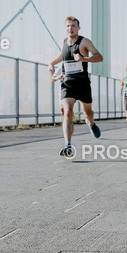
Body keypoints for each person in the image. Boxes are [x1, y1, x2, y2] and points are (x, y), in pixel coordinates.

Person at [48, 16, 104, 157]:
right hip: (67, 82)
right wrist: (52, 63)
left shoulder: (84, 42)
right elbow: (63, 55)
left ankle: (91, 124)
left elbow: (99, 57)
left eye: (73, 26)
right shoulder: (63, 42)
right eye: (68, 26)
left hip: (83, 83)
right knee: (67, 112)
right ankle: (68, 144)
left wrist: (84, 58)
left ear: (78, 28)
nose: (70, 28)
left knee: (88, 113)